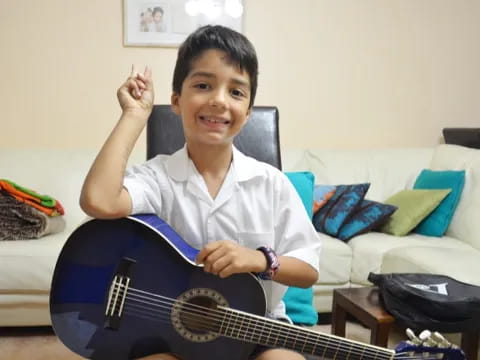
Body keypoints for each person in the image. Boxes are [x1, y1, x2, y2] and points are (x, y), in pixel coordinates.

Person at [80, 25, 321, 360]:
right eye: (203, 85)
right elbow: (99, 200)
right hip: (170, 328)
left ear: (248, 111)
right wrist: (135, 115)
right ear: (177, 100)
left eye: (236, 92)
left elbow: (308, 271)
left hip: (256, 327)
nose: (219, 100)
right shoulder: (157, 178)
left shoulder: (272, 183)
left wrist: (259, 259)